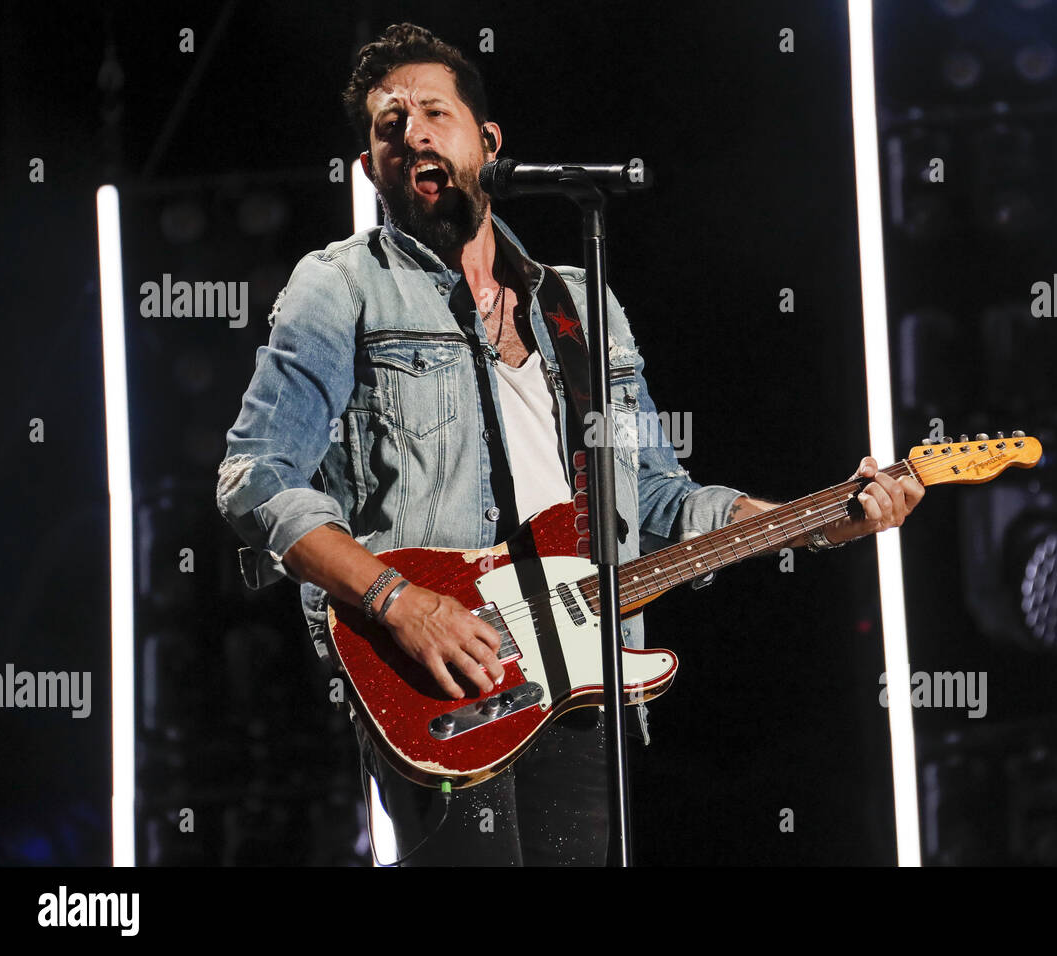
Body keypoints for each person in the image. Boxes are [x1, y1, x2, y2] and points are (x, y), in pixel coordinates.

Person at [215, 23, 924, 866]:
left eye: (434, 112)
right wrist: (400, 602)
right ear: (371, 170)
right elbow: (256, 478)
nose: (412, 133)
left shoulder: (581, 307)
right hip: (442, 677)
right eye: (388, 126)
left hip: (584, 676)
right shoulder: (337, 286)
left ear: (489, 142)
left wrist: (803, 522)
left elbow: (654, 498)